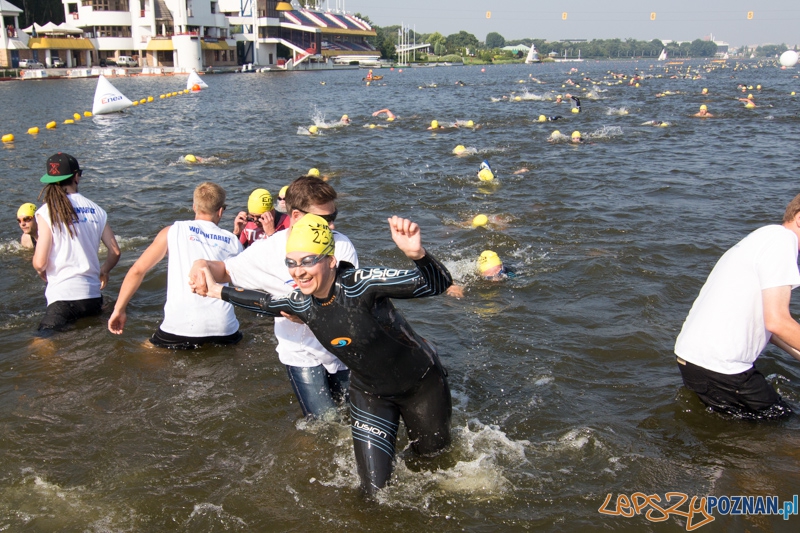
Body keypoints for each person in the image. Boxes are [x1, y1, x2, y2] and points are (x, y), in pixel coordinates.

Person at [194, 213, 453, 495]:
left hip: (421, 386)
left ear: (330, 260)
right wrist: (217, 290)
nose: (299, 271)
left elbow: (437, 285)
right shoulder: (302, 304)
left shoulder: (362, 283)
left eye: (308, 261)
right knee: (374, 493)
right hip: (370, 394)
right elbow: (265, 302)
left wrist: (418, 255)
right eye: (291, 263)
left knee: (433, 466)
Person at [189, 177, 358, 418]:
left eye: (334, 218)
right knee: (324, 422)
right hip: (300, 354)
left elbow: (342, 303)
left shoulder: (340, 246)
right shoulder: (269, 249)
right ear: (297, 216)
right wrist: (202, 264)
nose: (331, 227)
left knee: (354, 419)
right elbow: (227, 270)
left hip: (340, 348)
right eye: (324, 220)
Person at [674, 193, 800, 419]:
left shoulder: (764, 237)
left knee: (742, 433)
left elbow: (767, 326)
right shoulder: (782, 243)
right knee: (785, 430)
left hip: (692, 360)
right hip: (721, 368)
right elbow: (778, 321)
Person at [108, 182, 243, 349]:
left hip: (180, 328)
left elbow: (137, 270)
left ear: (194, 207)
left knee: (145, 352)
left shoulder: (174, 230)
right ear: (220, 211)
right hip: (225, 330)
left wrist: (119, 310)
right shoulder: (233, 241)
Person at [32, 153, 120, 332]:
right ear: (76, 176)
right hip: (93, 297)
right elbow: (115, 252)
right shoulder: (97, 210)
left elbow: (40, 262)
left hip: (62, 299)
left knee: (41, 345)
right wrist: (103, 271)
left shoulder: (47, 211)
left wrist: (41, 270)